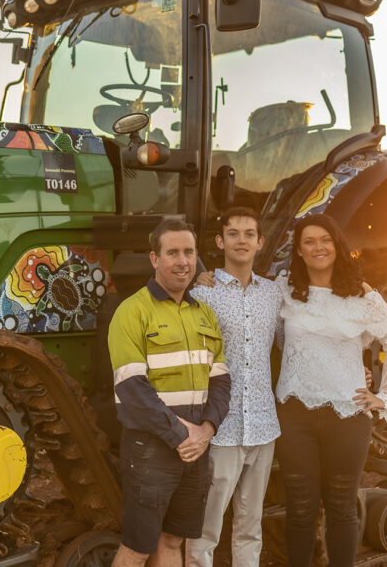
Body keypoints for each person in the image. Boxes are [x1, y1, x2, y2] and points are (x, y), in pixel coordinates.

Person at [275, 213, 387, 567]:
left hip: (347, 418)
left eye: (325, 240)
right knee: (301, 507)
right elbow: (278, 340)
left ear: (337, 246)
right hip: (295, 417)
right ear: (300, 251)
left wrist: (384, 396)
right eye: (309, 242)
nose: (318, 247)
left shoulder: (361, 296)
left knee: (340, 506)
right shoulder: (284, 289)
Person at [107, 219, 232, 567]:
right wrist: (182, 435)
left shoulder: (204, 314)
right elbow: (132, 389)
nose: (182, 261)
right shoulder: (132, 311)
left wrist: (206, 431)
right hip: (151, 449)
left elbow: (220, 380)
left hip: (195, 449)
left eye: (189, 252)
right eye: (172, 252)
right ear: (154, 258)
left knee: (174, 539)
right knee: (137, 547)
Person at [185, 207, 284, 567]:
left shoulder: (274, 294)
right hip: (221, 427)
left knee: (250, 526)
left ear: (260, 242)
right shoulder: (203, 294)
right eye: (233, 233)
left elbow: (295, 345)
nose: (241, 240)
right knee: (206, 528)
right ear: (220, 241)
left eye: (248, 234)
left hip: (263, 425)